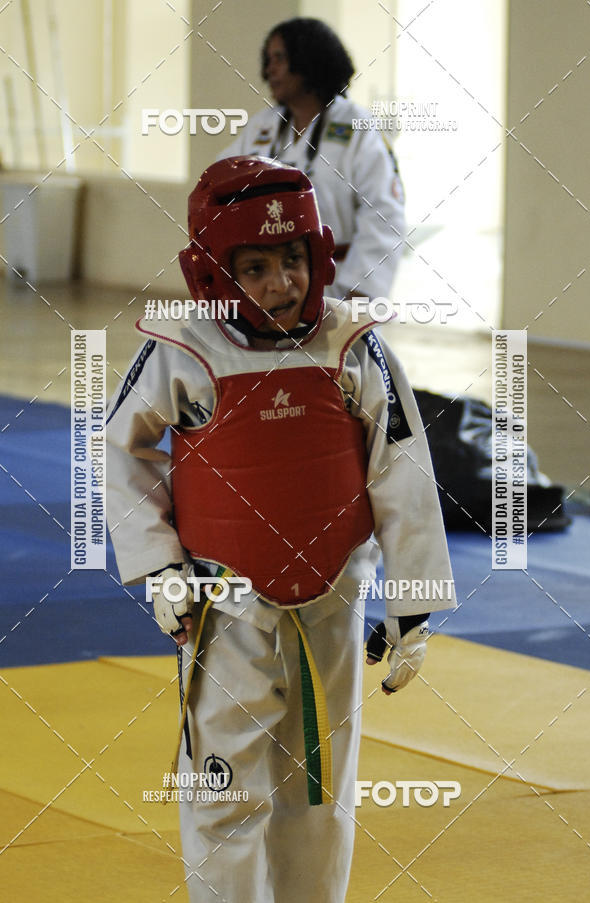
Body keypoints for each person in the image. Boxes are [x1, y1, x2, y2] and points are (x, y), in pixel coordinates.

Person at [106, 156, 454, 903]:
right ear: (210, 274)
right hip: (223, 606)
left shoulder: (350, 342)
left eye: (292, 259)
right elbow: (120, 448)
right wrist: (159, 568)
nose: (281, 283)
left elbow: (401, 467)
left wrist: (413, 603)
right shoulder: (183, 347)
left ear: (318, 255)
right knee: (227, 788)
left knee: (320, 786)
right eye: (255, 266)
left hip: (333, 598)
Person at [219, 16, 405, 301]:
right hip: (271, 287)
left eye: (279, 58)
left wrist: (360, 290)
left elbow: (383, 214)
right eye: (268, 60)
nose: (270, 70)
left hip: (339, 284)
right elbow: (221, 183)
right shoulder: (263, 126)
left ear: (309, 59)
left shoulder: (358, 126)